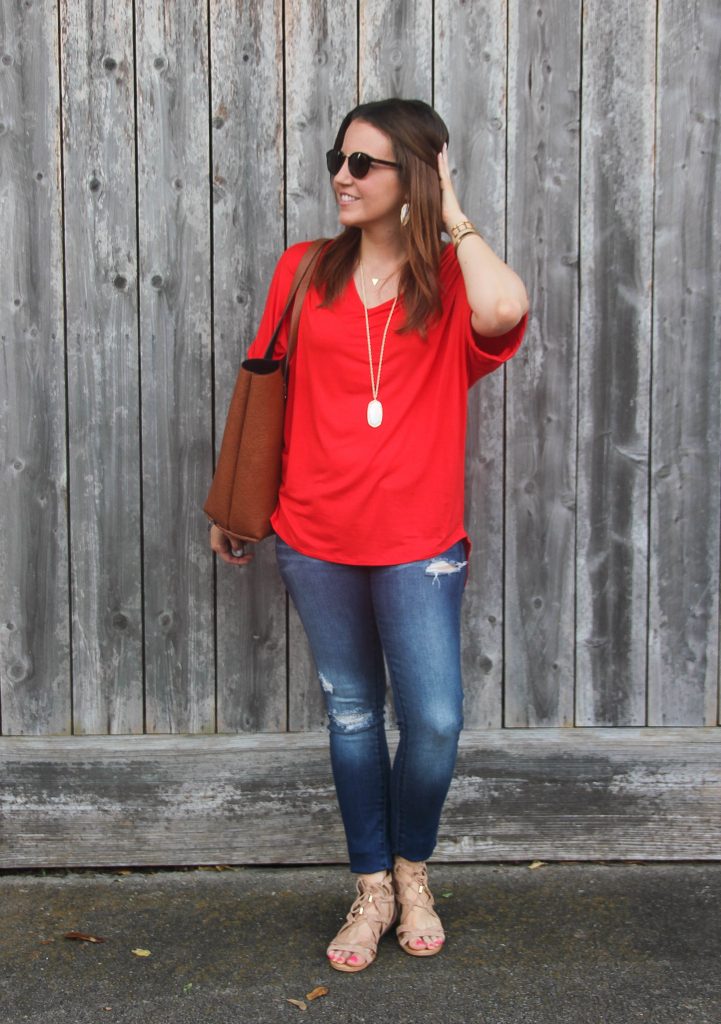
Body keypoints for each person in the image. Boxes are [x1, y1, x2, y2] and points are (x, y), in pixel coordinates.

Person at [209, 98, 528, 972]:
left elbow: (506, 308)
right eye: (337, 160)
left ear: (413, 178)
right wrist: (237, 504)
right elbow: (266, 388)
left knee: (430, 720)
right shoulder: (303, 269)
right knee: (351, 715)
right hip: (312, 533)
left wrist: (452, 211)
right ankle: (373, 888)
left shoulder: (451, 278)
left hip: (420, 542)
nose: (342, 178)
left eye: (365, 164)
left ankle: (412, 870)